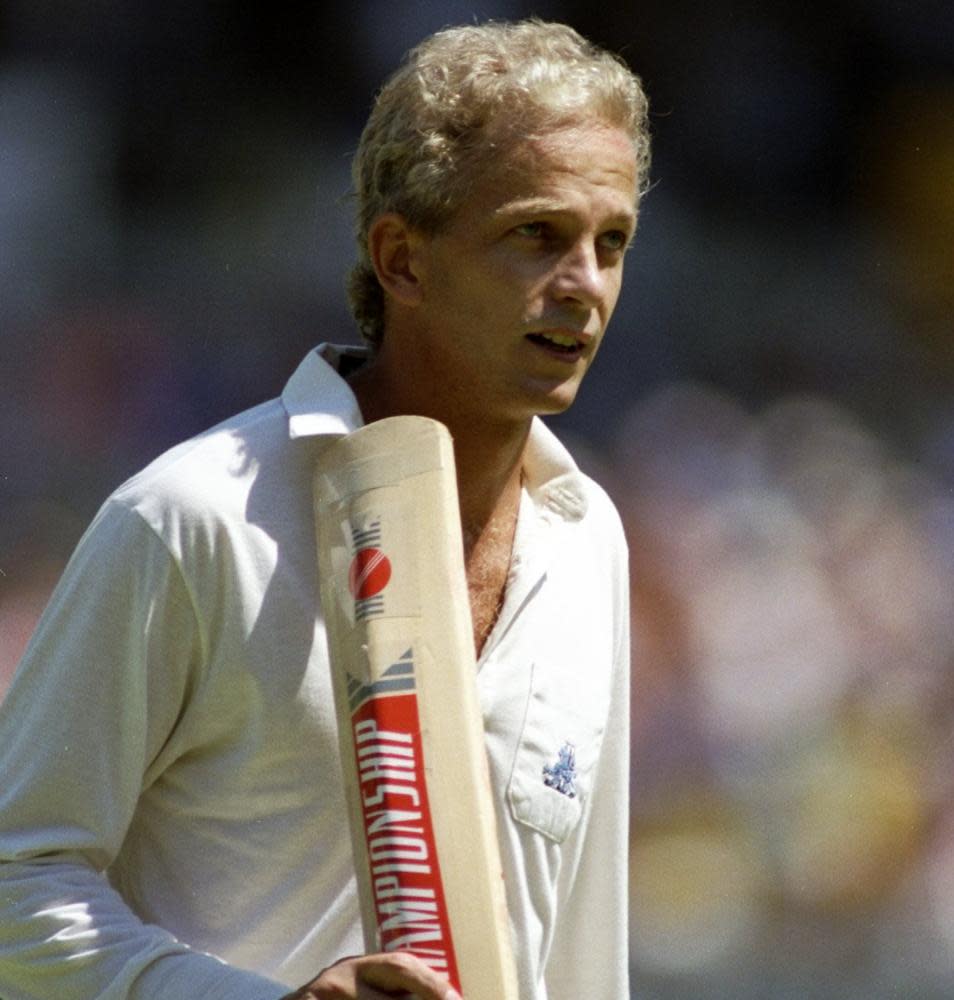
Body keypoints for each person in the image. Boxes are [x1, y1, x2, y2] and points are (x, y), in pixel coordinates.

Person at [0, 18, 650, 1000]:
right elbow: (14, 884)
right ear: (402, 259)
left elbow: (582, 952)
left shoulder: (585, 532)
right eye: (537, 235)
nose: (585, 287)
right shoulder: (193, 518)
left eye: (611, 242)